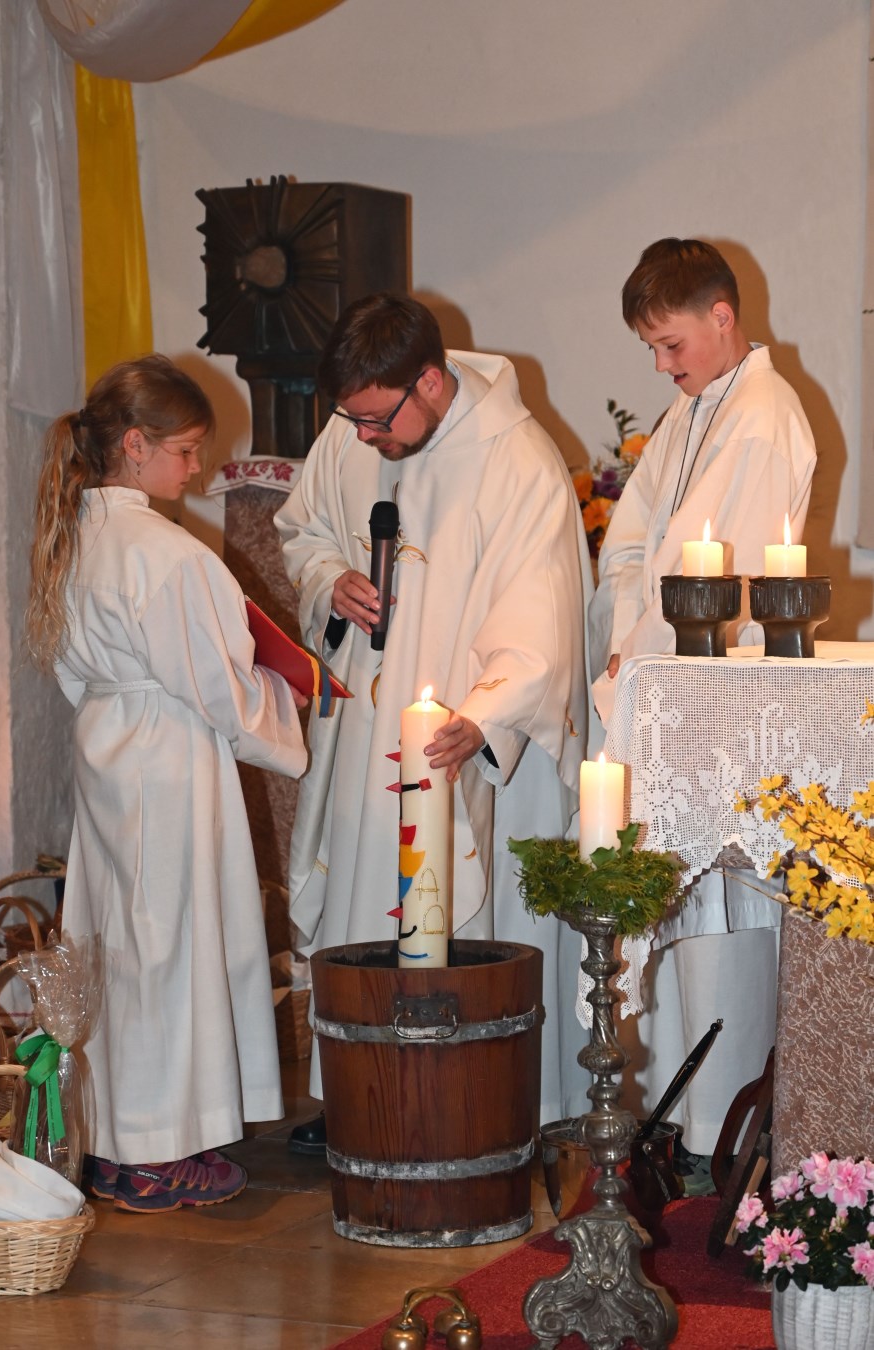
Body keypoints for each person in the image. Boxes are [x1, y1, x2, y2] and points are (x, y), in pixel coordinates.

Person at [275, 293, 593, 1151]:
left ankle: (477, 1102)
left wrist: (487, 717)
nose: (365, 439)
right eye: (354, 421)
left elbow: (546, 605)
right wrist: (329, 580)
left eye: (378, 421)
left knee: (470, 924)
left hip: (464, 742)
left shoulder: (516, 460)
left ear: (428, 380)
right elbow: (300, 528)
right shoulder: (353, 428)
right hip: (366, 730)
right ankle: (362, 1089)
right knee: (362, 903)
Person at [25, 355, 308, 1212]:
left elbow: (82, 673)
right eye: (185, 452)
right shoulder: (163, 550)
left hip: (112, 745)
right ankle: (152, 1152)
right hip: (169, 754)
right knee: (168, 947)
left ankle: (114, 1138)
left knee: (122, 944)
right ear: (137, 445)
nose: (196, 471)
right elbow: (217, 684)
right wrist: (283, 698)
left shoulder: (75, 535)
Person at [588, 238, 817, 1163]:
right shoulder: (697, 407)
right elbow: (635, 542)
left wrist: (639, 661)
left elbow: (702, 578)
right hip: (669, 684)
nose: (662, 365)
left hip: (719, 703)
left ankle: (730, 1139)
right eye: (651, 348)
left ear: (722, 318)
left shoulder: (760, 417)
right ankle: (690, 1127)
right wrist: (626, 646)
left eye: (672, 343)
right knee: (686, 915)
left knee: (723, 908)